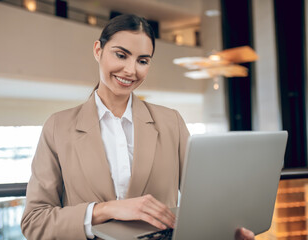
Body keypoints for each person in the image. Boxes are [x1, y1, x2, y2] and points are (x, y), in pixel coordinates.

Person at [21, 14, 255, 240]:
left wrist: (228, 229)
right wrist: (106, 210)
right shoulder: (58, 127)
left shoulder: (171, 122)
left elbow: (205, 199)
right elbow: (34, 222)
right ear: (98, 51)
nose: (131, 70)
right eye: (121, 55)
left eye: (142, 61)